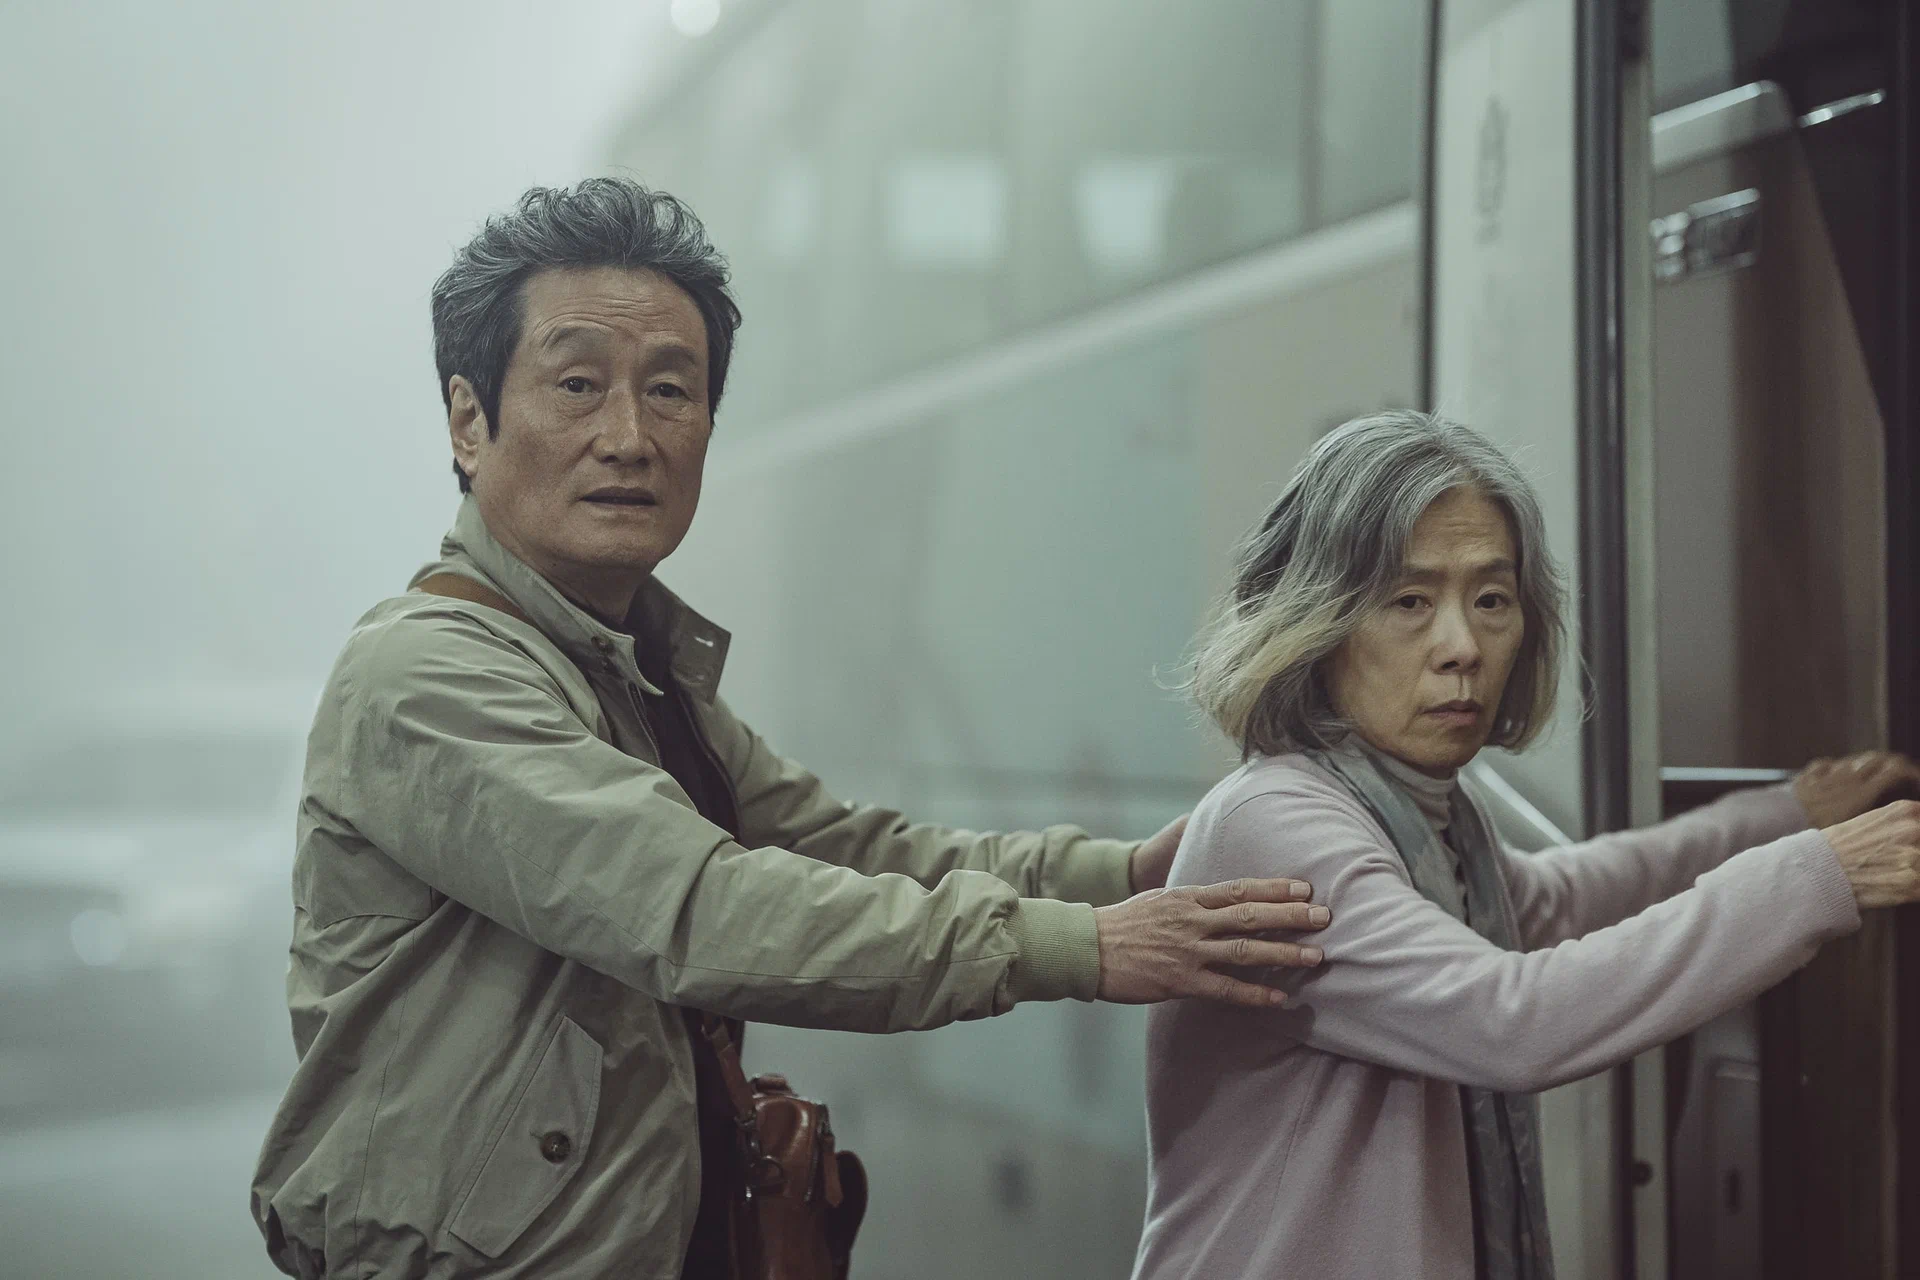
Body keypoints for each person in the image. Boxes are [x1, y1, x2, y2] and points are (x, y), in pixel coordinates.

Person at [248, 179, 1332, 1280]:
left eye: (670, 390)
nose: (629, 436)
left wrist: (1119, 873)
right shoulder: (426, 673)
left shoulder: (629, 665)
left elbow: (841, 848)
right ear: (468, 421)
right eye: (577, 384)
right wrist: (1084, 949)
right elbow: (701, 908)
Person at [1131, 410, 1920, 1280]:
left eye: (1491, 600)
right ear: (1317, 622)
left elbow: (1565, 898)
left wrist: (1785, 814)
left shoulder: (1426, 814)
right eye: (1409, 602)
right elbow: (1512, 1021)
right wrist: (1814, 877)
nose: (1462, 647)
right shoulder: (1277, 820)